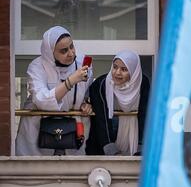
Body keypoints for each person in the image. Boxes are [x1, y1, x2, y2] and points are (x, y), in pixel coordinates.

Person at [15, 26, 93, 156]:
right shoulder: (37, 66)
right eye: (63, 51)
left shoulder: (81, 63)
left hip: (72, 130)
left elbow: (87, 92)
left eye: (71, 46)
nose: (71, 53)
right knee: (36, 172)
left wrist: (86, 103)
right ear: (50, 53)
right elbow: (41, 100)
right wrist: (70, 81)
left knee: (73, 172)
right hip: (38, 129)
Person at [86, 50, 150, 156]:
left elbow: (145, 114)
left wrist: (141, 145)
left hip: (133, 138)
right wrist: (110, 148)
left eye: (124, 69)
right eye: (115, 67)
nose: (117, 72)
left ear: (134, 70)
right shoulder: (101, 84)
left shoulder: (142, 82)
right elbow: (101, 119)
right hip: (103, 143)